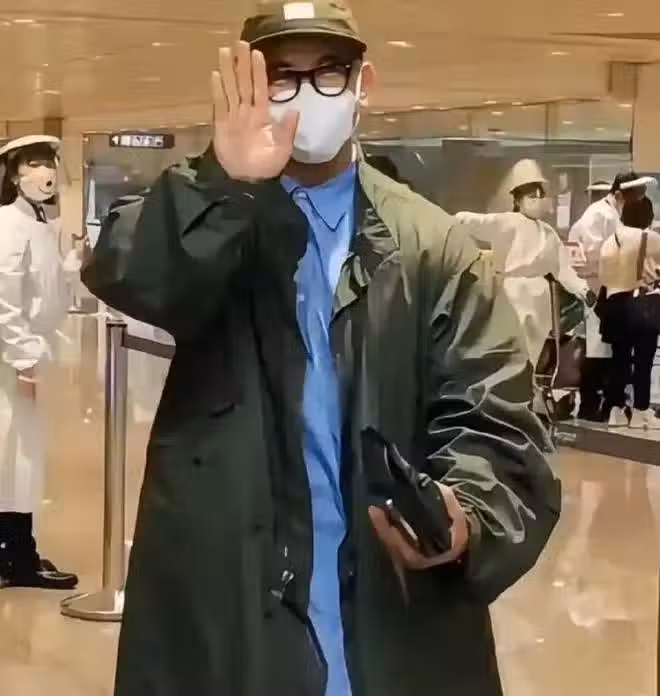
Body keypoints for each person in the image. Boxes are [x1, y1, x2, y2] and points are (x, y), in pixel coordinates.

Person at [82, 2, 560, 695]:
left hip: (386, 613)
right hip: (235, 612)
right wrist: (222, 181)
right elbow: (132, 272)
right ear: (250, 87)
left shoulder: (433, 249)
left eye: (329, 73)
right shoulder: (215, 218)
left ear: (366, 85)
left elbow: (497, 422)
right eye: (283, 76)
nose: (307, 95)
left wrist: (465, 515)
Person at [0, 135, 77, 589]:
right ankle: (15, 558)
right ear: (14, 174)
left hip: (29, 355)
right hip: (12, 362)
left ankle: (18, 553)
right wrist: (24, 356)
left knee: (22, 462)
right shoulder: (8, 224)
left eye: (48, 161)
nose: (45, 171)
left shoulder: (39, 223)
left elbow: (46, 289)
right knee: (13, 460)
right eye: (33, 163)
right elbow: (4, 298)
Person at [455, 159, 593, 372]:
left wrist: (583, 289)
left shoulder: (548, 232)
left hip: (540, 296)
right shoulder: (507, 222)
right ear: (518, 200)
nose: (537, 201)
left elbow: (562, 268)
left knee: (536, 350)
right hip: (513, 291)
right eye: (531, 196)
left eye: (540, 196)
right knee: (516, 346)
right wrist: (452, 221)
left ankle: (532, 382)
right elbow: (474, 221)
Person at [569, 172, 656, 420]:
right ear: (619, 196)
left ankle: (611, 405)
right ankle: (595, 405)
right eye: (635, 199)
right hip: (600, 293)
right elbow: (594, 258)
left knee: (614, 355)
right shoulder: (599, 215)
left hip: (611, 295)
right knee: (602, 354)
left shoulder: (613, 218)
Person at [600, 196, 660, 429]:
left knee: (619, 359)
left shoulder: (611, 240)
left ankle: (615, 411)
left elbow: (604, 275)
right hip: (642, 303)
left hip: (614, 304)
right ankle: (640, 412)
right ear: (647, 216)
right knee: (643, 360)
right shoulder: (650, 237)